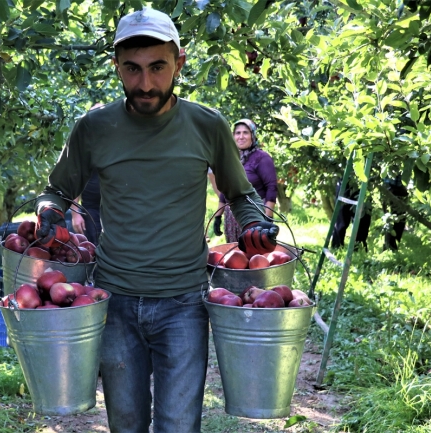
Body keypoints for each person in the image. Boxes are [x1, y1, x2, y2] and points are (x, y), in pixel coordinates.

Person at [32, 8, 279, 432]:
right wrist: (50, 214)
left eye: (158, 68)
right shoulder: (95, 126)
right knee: (126, 425)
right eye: (132, 69)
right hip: (115, 302)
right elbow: (55, 190)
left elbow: (241, 194)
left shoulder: (207, 125)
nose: (145, 83)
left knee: (178, 426)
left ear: (179, 63)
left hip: (184, 303)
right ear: (117, 66)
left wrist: (255, 225)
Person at [212, 119, 278, 243]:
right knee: (236, 256)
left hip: (255, 215)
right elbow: (225, 189)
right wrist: (218, 216)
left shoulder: (262, 158)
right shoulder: (230, 158)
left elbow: (271, 188)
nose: (241, 136)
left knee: (256, 252)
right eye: (237, 133)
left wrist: (267, 217)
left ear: (252, 135)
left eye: (245, 132)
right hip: (232, 218)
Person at [71, 170, 102, 244]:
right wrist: (75, 214)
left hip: (115, 208)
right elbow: (76, 180)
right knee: (94, 246)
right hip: (91, 209)